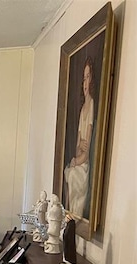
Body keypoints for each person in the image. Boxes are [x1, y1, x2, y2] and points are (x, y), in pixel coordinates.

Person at [64, 57, 95, 218]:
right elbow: (78, 145)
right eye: (83, 78)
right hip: (79, 160)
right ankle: (68, 215)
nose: (85, 82)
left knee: (72, 173)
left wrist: (78, 159)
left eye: (88, 77)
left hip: (84, 164)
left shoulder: (91, 107)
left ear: (92, 80)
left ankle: (71, 216)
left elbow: (86, 148)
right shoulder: (83, 109)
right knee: (68, 171)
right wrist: (77, 156)